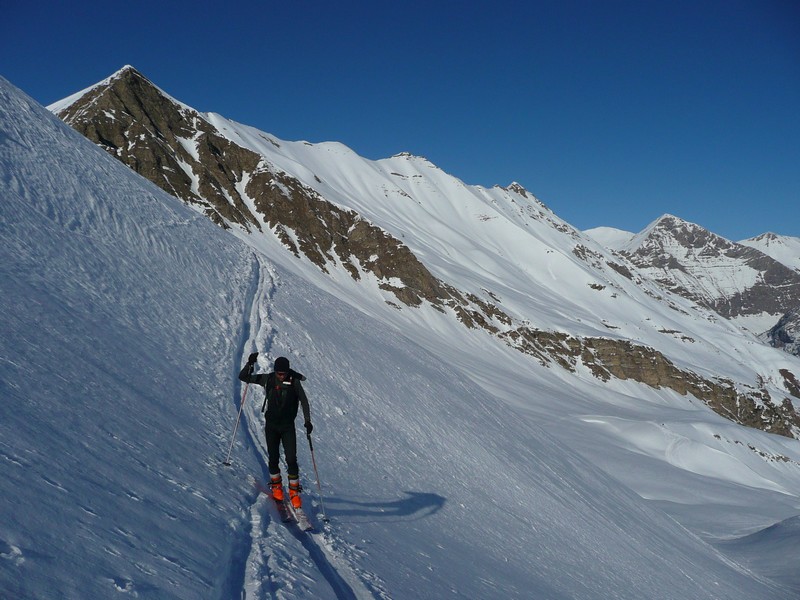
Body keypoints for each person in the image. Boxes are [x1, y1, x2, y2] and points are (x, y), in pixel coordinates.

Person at [239, 352, 313, 508]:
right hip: (272, 426)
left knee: (291, 459)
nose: (281, 376)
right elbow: (243, 377)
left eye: (283, 373)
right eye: (279, 373)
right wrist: (249, 364)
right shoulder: (269, 379)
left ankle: (294, 493)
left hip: (287, 427)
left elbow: (304, 402)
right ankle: (277, 488)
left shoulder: (294, 382)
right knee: (273, 457)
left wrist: (307, 421)